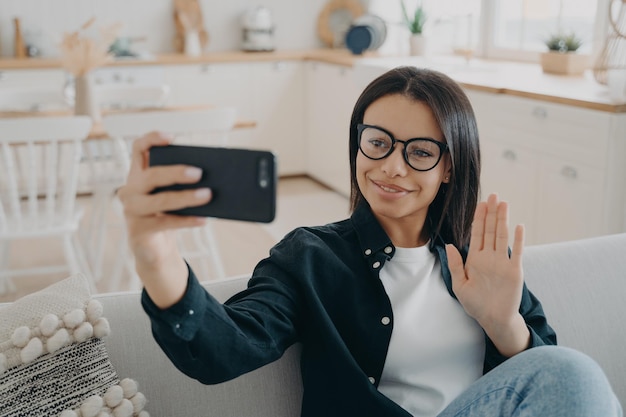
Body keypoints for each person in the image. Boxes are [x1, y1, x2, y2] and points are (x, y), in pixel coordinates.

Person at [117, 66, 622, 416]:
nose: (391, 167)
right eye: (378, 142)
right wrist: (155, 254)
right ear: (357, 141)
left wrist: (502, 323)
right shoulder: (311, 259)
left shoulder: (480, 260)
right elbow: (223, 350)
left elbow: (546, 386)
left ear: (450, 167)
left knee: (568, 371)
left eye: (420, 151)